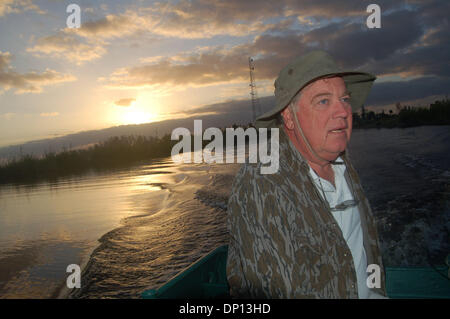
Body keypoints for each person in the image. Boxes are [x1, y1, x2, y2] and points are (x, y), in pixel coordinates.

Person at [226, 50, 387, 298]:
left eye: (344, 99)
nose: (343, 111)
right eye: (323, 101)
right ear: (289, 118)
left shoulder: (340, 160)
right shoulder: (262, 182)